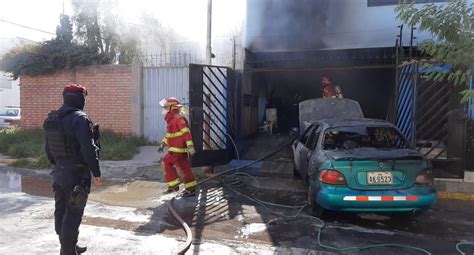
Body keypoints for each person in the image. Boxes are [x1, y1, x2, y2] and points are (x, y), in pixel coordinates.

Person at [44, 84, 102, 255]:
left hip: (59, 173)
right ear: (80, 99)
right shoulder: (80, 118)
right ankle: (67, 251)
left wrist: (59, 165)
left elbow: (48, 149)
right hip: (76, 175)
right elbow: (88, 148)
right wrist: (96, 172)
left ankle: (70, 245)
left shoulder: (51, 119)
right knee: (73, 214)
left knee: (61, 211)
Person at [158, 97, 197, 197]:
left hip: (177, 150)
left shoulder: (178, 119)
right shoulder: (172, 121)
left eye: (165, 108)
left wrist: (190, 146)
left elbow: (186, 133)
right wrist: (162, 144)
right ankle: (191, 188)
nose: (163, 110)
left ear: (172, 108)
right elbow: (169, 135)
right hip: (177, 150)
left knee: (166, 162)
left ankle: (174, 186)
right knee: (184, 168)